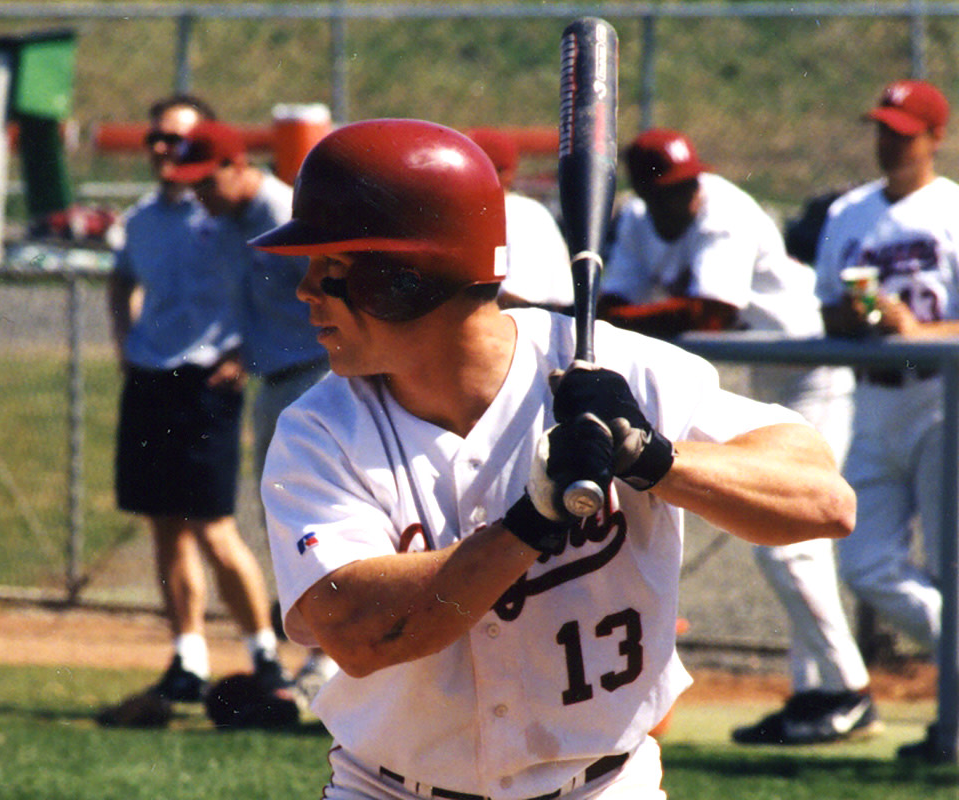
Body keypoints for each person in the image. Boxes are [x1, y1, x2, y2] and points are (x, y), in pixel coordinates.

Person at [250, 118, 856, 799]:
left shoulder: (616, 369)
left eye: (331, 271)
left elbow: (824, 501)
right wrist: (531, 523)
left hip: (603, 786)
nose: (305, 291)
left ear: (406, 280)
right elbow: (358, 632)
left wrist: (651, 457)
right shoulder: (318, 431)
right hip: (390, 788)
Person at [598, 128, 877, 746]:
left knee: (791, 546)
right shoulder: (640, 219)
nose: (687, 195)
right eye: (670, 188)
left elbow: (709, 312)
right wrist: (621, 314)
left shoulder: (724, 211)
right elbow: (616, 297)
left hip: (813, 369)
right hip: (766, 373)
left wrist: (622, 317)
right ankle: (816, 693)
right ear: (646, 192)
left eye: (689, 182)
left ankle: (847, 690)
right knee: (797, 553)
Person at [96, 94, 286, 728]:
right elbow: (121, 279)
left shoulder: (225, 214)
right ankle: (188, 657)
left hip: (209, 381)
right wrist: (124, 341)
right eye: (155, 138)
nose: (162, 150)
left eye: (175, 139)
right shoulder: (142, 219)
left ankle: (264, 656)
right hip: (151, 377)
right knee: (165, 525)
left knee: (213, 527)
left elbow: (266, 288)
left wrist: (242, 348)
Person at [171, 119, 339, 702]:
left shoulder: (284, 212)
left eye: (206, 180)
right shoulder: (232, 220)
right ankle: (321, 651)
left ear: (238, 165)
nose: (199, 194)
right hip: (277, 379)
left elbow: (331, 295)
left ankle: (329, 657)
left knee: (319, 517)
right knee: (288, 520)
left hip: (318, 376)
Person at [815, 78, 959, 761]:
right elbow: (826, 311)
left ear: (936, 137)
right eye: (882, 129)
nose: (889, 142)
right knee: (866, 562)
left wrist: (917, 331)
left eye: (903, 133)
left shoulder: (952, 208)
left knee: (951, 563)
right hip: (872, 399)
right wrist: (854, 318)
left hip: (941, 396)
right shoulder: (849, 212)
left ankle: (950, 726)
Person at [467, 126, 574, 311]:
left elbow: (518, 298)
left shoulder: (519, 214)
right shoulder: (495, 212)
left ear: (503, 173)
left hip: (538, 319)